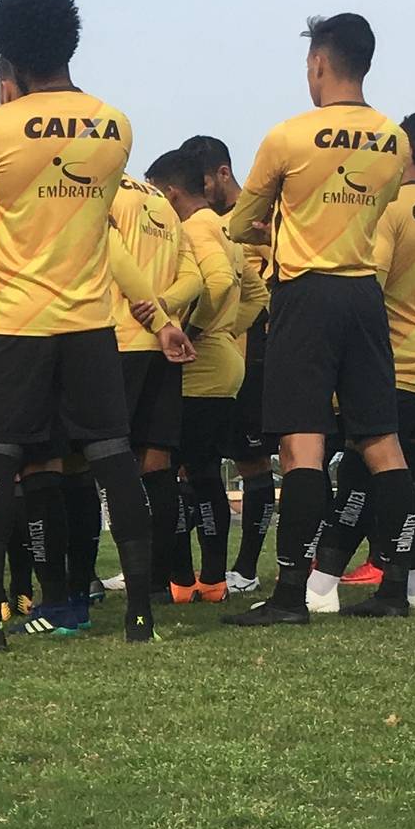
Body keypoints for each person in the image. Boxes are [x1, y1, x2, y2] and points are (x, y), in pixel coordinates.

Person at [0, 0, 160, 654]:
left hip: (18, 320)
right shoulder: (115, 124)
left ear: (10, 58)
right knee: (114, 459)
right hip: (91, 319)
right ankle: (139, 615)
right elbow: (98, 214)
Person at [224, 13, 415, 625]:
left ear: (318, 64)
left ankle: (288, 596)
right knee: (383, 442)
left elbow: (237, 221)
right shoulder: (395, 140)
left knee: (301, 445)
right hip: (363, 292)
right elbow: (372, 211)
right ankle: (394, 588)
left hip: (306, 292)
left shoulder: (288, 136)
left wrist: (274, 225)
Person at [311, 106, 415, 610]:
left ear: (403, 148)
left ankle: (321, 585)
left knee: (365, 472)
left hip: (398, 362)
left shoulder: (388, 208)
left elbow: (370, 286)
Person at [101, 167, 202, 619]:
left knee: (94, 461)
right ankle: (158, 581)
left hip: (116, 337)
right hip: (163, 345)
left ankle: (83, 577)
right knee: (157, 466)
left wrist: (148, 310)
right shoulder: (160, 202)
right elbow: (195, 277)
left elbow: (109, 252)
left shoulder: (96, 190)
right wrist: (165, 311)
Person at [147, 146, 248, 599]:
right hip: (221, 364)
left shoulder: (194, 228)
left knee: (178, 472)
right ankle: (210, 580)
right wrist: (227, 330)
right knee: (203, 472)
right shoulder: (226, 229)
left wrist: (197, 329)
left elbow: (221, 282)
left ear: (170, 193)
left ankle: (187, 579)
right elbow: (257, 293)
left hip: (198, 369)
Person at [183, 134, 275, 591]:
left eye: (205, 183)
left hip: (249, 357)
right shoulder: (198, 222)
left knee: (251, 462)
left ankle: (246, 569)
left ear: (223, 174)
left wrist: (222, 327)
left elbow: (263, 291)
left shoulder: (254, 218)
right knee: (189, 463)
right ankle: (185, 568)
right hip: (210, 362)